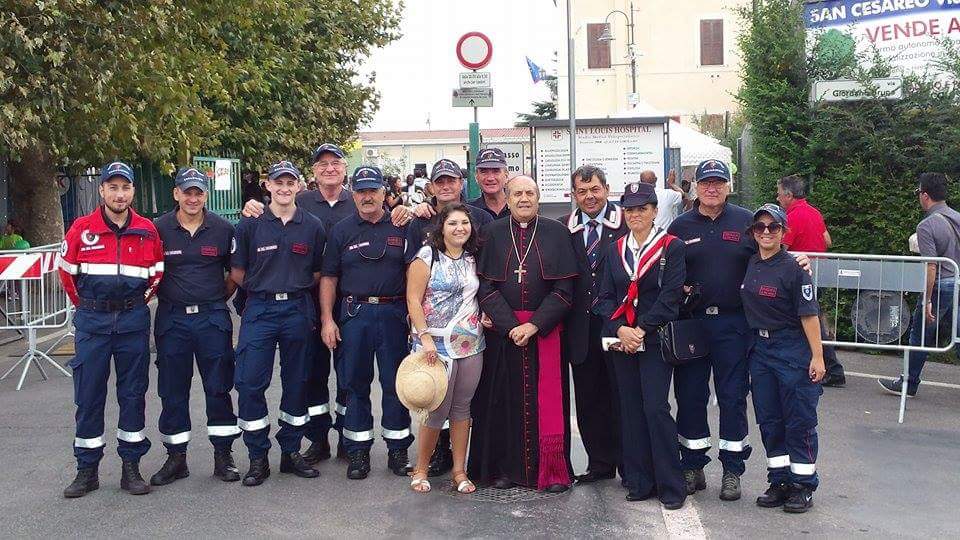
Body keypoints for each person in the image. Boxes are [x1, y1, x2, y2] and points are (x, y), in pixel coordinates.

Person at [240, 144, 412, 464]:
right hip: (310, 306)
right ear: (313, 173)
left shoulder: (366, 205)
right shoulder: (300, 202)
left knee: (351, 377)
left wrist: (412, 210)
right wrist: (253, 206)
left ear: (346, 170)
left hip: (352, 307)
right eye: (322, 164)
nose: (329, 168)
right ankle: (318, 439)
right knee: (313, 375)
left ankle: (350, 440)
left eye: (336, 163)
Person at [58, 161, 164, 498]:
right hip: (93, 323)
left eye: (125, 188)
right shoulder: (81, 229)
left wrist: (132, 305)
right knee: (89, 396)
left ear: (133, 191)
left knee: (133, 395)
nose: (120, 194)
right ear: (102, 190)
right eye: (113, 187)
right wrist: (90, 307)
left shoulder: (147, 230)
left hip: (132, 321)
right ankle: (86, 470)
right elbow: (67, 275)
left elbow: (156, 275)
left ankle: (131, 467)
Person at [470, 175, 578, 493]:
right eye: (517, 193)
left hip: (544, 331)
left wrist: (534, 325)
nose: (524, 198)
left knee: (546, 403)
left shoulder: (557, 233)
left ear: (538, 197)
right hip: (504, 334)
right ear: (507, 198)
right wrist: (510, 326)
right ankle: (506, 470)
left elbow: (564, 290)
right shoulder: (492, 233)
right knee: (504, 402)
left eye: (530, 193)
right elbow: (485, 287)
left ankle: (552, 470)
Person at [230, 160, 326, 486]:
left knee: (297, 380)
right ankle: (257, 457)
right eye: (278, 182)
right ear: (268, 185)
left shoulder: (312, 226)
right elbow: (237, 272)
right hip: (260, 309)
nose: (284, 188)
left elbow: (318, 272)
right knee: (250, 382)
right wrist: (265, 288)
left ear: (298, 186)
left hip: (298, 308)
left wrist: (291, 287)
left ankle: (291, 451)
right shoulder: (250, 224)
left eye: (290, 182)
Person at [667, 159, 755, 501]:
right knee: (690, 396)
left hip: (734, 324)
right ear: (696, 187)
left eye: (719, 182)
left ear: (728, 186)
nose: (712, 188)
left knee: (732, 396)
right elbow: (666, 272)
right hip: (692, 324)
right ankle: (692, 464)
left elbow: (770, 256)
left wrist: (797, 261)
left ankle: (732, 469)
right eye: (706, 182)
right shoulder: (680, 226)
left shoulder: (747, 222)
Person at [595, 182, 686, 509]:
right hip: (623, 341)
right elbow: (604, 297)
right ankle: (639, 480)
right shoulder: (615, 249)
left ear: (654, 211)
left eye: (642, 209)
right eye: (630, 209)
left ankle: (671, 484)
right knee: (630, 410)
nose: (635, 215)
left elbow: (670, 298)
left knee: (656, 409)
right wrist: (621, 329)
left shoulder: (671, 246)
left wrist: (641, 330)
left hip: (654, 338)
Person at [320, 166, 414, 480]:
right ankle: (358, 452)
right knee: (354, 384)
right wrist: (327, 320)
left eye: (373, 190)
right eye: (361, 191)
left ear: (384, 193)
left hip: (393, 315)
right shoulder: (341, 230)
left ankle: (398, 450)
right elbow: (329, 277)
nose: (367, 196)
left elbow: (415, 273)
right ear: (353, 194)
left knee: (395, 385)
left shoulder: (402, 225)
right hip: (354, 315)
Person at [149, 168, 241, 487]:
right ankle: (176, 458)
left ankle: (223, 456)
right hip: (172, 319)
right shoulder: (158, 229)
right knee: (172, 390)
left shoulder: (223, 229)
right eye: (186, 192)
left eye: (198, 193)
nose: (192, 198)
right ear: (176, 193)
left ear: (206, 195)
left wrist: (213, 299)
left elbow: (234, 274)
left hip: (211, 318)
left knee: (218, 387)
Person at [404, 159, 493, 477]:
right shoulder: (426, 255)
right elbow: (413, 299)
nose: (459, 228)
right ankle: (421, 469)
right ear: (441, 227)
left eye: (464, 224)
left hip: (470, 344)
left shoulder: (472, 258)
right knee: (436, 409)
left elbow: (482, 291)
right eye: (452, 223)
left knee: (462, 408)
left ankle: (459, 471)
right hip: (435, 345)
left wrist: (487, 315)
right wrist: (424, 337)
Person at [741, 204, 825, 513]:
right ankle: (779, 481)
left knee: (799, 421)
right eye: (760, 227)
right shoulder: (751, 262)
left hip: (791, 350)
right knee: (770, 420)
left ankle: (802, 485)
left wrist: (818, 357)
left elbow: (809, 315)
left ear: (783, 232)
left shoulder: (795, 268)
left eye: (773, 227)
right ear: (753, 232)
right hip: (761, 352)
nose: (766, 232)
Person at [560, 165, 626, 484]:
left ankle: (629, 465)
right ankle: (599, 464)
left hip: (617, 325)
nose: (589, 197)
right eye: (582, 191)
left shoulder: (626, 223)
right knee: (589, 399)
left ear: (607, 189)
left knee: (621, 397)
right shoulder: (564, 227)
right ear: (574, 195)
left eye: (595, 189)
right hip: (581, 329)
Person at [880, 172, 960, 397]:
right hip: (958, 282)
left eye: (918, 192)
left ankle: (908, 383)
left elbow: (931, 266)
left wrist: (927, 299)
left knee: (920, 335)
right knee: (958, 335)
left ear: (925, 195)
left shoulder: (926, 226)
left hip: (941, 286)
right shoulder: (957, 217)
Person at [776, 174, 845, 388]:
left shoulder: (791, 217)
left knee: (810, 323)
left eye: (779, 194)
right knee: (813, 320)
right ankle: (827, 367)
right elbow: (827, 240)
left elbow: (781, 249)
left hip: (801, 276)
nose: (777, 198)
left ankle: (832, 368)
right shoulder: (814, 212)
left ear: (789, 195)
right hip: (819, 273)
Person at [469, 148, 511, 220]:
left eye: (496, 171)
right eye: (484, 172)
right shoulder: (468, 211)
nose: (490, 178)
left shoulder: (519, 207)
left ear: (506, 175)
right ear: (476, 177)